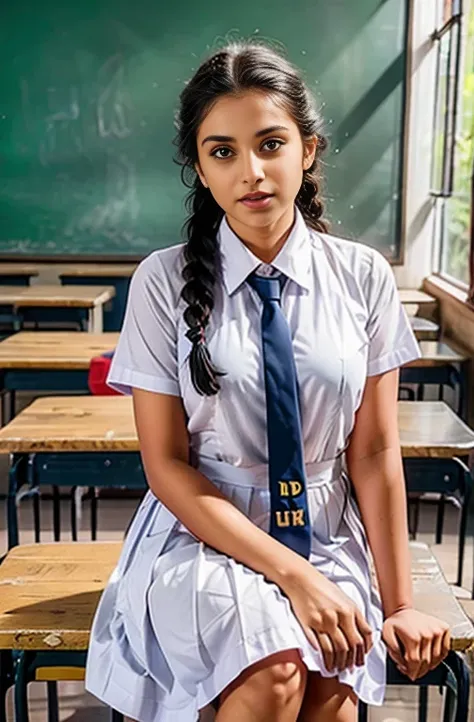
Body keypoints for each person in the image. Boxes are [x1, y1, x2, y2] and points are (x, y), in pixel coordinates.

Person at [85, 40, 451, 722]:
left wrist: (400, 603)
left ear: (306, 150)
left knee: (330, 692)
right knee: (278, 673)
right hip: (204, 528)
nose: (250, 172)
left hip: (327, 527)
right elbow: (165, 465)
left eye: (270, 143)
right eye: (222, 151)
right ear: (198, 164)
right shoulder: (164, 281)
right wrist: (293, 577)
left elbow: (371, 453)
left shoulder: (363, 276)